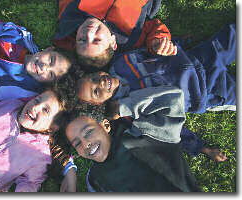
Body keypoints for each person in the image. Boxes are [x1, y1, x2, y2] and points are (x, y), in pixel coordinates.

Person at [75, 23, 236, 162]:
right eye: (96, 92)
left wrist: (176, 43)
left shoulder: (120, 63)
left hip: (198, 58)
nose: (101, 82)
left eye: (95, 77)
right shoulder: (128, 112)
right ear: (101, 106)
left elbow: (150, 52)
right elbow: (172, 130)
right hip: (207, 91)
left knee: (232, 36)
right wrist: (202, 148)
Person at [65, 86, 201, 192]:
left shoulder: (147, 134)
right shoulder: (94, 178)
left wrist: (122, 108)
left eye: (88, 132)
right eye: (77, 143)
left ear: (106, 125)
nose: (85, 143)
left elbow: (172, 98)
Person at [53, 0, 177, 68]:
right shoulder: (131, 36)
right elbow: (154, 27)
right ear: (113, 43)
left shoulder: (71, 13)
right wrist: (156, 41)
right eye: (97, 40)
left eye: (82, 39)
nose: (89, 33)